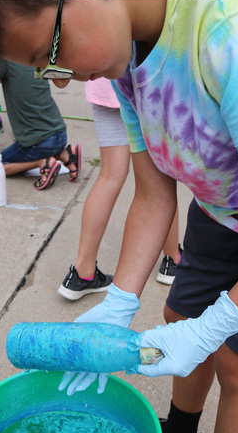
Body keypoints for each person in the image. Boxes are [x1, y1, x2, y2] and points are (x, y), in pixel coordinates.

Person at [0, 0, 238, 433]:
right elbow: (153, 196)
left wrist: (219, 323)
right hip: (222, 208)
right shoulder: (125, 55)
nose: (60, 85)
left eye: (49, 56)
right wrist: (121, 300)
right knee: (178, 316)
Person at [63, 77, 181, 301]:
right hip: (143, 84)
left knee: (109, 176)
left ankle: (82, 272)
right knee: (161, 176)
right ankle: (172, 259)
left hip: (102, 85)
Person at [0, 60, 81, 193]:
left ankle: (42, 163)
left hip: (39, 142)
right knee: (45, 144)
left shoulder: (5, 60)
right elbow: (23, 80)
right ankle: (65, 155)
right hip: (60, 135)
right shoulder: (37, 58)